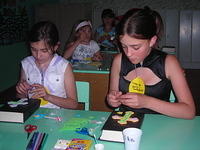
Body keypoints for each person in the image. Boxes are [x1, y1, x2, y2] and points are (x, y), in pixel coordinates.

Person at [107, 7, 195, 119]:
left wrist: (147, 102)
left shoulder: (169, 63)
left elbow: (189, 111)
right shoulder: (118, 60)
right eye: (124, 46)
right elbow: (113, 96)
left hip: (160, 126)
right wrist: (112, 100)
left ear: (152, 41)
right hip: (126, 123)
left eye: (136, 47)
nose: (128, 53)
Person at [16, 21, 78, 109]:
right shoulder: (26, 64)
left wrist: (48, 96)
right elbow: (20, 97)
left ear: (56, 47)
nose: (38, 55)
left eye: (44, 51)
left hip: (58, 117)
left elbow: (73, 104)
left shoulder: (64, 66)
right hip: (33, 115)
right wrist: (21, 91)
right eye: (33, 49)